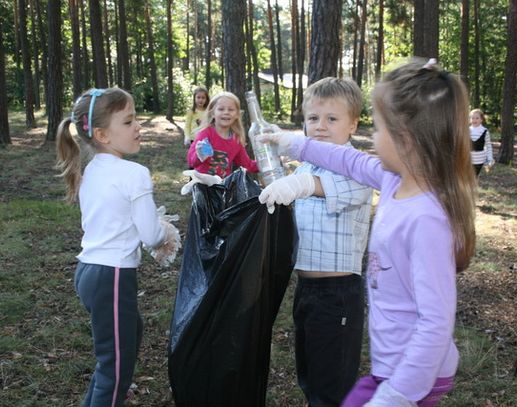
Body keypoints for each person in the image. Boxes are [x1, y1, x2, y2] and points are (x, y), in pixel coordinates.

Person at [259, 58, 477, 406]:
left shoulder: (426, 220)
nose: (372, 139)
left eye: (377, 129)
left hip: (412, 376)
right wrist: (293, 143)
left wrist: (397, 394)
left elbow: (435, 322)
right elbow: (349, 162)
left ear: (405, 139)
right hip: (390, 367)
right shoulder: (393, 181)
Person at [56, 87, 180, 406]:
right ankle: (109, 397)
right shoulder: (134, 173)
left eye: (136, 118)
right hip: (111, 278)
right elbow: (151, 236)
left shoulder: (90, 171)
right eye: (127, 122)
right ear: (102, 134)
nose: (138, 126)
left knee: (130, 332)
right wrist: (165, 229)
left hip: (87, 273)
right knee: (114, 370)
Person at [259, 77, 373, 407]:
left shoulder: (358, 168)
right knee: (310, 378)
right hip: (306, 290)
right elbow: (278, 193)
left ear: (353, 123)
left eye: (331, 119)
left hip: (338, 294)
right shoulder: (306, 165)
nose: (320, 127)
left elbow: (321, 186)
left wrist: (304, 184)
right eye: (312, 119)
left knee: (331, 388)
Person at [187, 91, 258, 177]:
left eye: (231, 109)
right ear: (212, 113)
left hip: (221, 187)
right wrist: (200, 155)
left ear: (237, 114)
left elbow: (248, 165)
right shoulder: (206, 133)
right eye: (221, 109)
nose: (226, 112)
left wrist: (268, 163)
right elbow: (191, 162)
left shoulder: (236, 140)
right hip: (202, 185)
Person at [469, 108, 494, 176]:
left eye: (477, 118)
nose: (474, 120)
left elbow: (488, 146)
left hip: (479, 160)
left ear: (481, 119)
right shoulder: (466, 131)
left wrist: (490, 158)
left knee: (474, 177)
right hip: (468, 160)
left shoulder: (485, 131)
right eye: (472, 118)